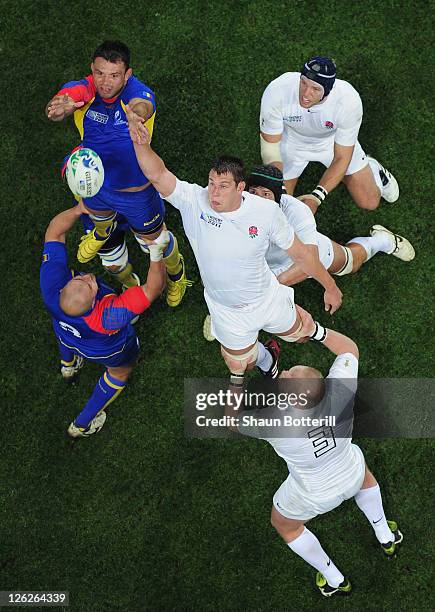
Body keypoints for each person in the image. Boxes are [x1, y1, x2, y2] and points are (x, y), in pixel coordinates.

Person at [126, 107, 343, 384]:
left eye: (223, 186)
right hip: (226, 311)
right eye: (212, 183)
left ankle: (312, 335)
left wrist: (331, 288)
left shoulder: (266, 212)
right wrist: (140, 144)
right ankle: (270, 362)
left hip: (267, 299)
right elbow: (158, 175)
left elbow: (302, 254)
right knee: (241, 361)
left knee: (299, 334)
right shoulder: (194, 201)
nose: (214, 192)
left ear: (241, 188)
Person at [231, 326, 403, 597]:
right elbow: (349, 348)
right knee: (362, 470)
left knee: (285, 525)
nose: (284, 372)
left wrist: (236, 375)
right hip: (352, 473)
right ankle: (386, 537)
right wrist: (314, 330)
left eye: (287, 375)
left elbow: (232, 420)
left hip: (314, 495)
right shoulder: (339, 391)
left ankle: (335, 579)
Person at [46, 41, 191, 307]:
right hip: (97, 187)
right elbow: (70, 96)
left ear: (127, 75)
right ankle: (117, 259)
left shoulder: (138, 93)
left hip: (136, 194)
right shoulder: (86, 90)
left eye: (114, 75)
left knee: (156, 242)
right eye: (100, 73)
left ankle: (177, 272)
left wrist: (135, 118)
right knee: (106, 244)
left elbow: (142, 105)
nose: (105, 82)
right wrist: (62, 105)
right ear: (92, 69)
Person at [202, 164, 414, 341]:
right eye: (253, 192)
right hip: (259, 264)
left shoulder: (297, 212)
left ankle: (381, 241)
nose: (257, 198)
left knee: (350, 263)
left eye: (265, 194)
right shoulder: (232, 206)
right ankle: (223, 312)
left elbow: (307, 260)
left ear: (278, 198)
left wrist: (268, 287)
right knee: (297, 334)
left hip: (303, 255)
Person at [40, 202, 167, 437]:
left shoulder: (51, 286)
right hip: (107, 350)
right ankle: (82, 424)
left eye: (80, 279)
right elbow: (153, 289)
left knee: (65, 335)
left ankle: (68, 366)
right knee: (119, 373)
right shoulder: (110, 316)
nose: (88, 276)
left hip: (66, 332)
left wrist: (79, 209)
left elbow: (54, 232)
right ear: (93, 304)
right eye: (89, 285)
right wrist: (156, 253)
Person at [260, 55, 399, 213]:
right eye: (303, 82)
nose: (305, 93)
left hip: (331, 143)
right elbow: (270, 145)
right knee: (276, 206)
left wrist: (316, 197)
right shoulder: (277, 90)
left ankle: (373, 168)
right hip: (290, 142)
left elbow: (341, 157)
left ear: (327, 90)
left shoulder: (348, 101)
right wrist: (281, 186)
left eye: (315, 89)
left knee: (370, 201)